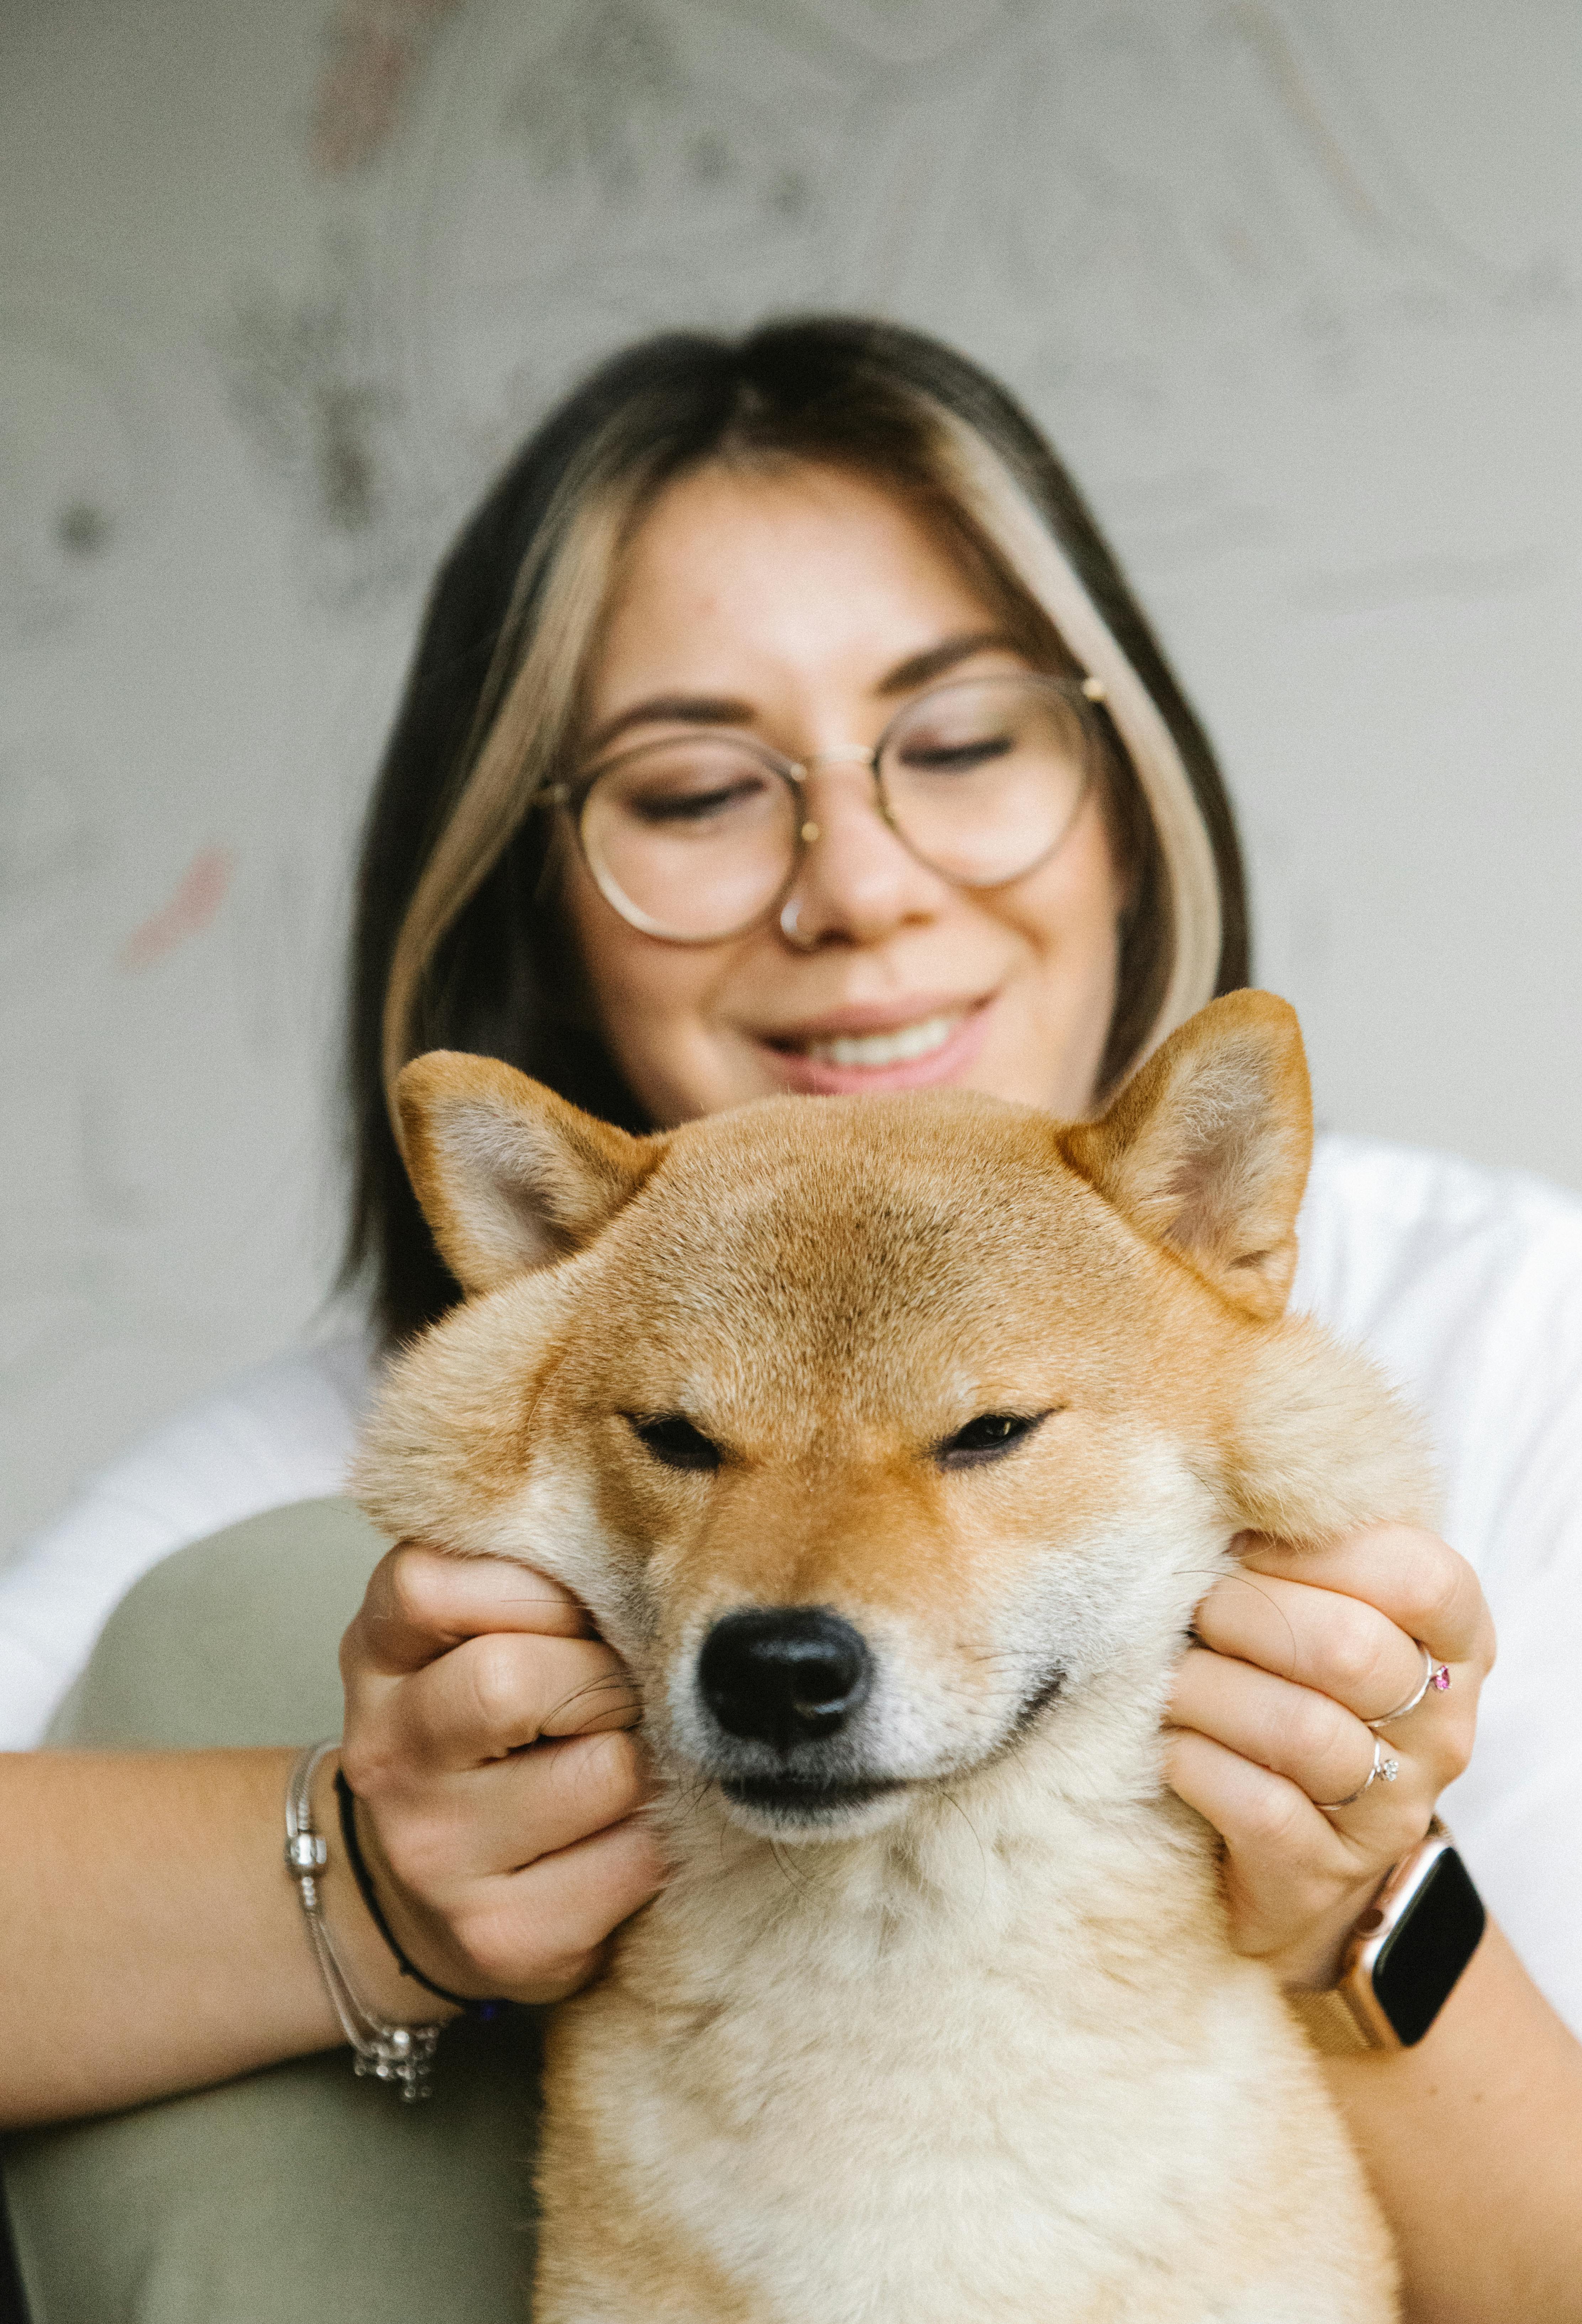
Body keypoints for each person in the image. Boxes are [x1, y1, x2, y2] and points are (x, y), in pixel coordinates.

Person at [3, 318, 1581, 2323]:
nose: (857, 883)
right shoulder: (488, 1416)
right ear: (532, 880)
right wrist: (366, 1879)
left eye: (960, 741)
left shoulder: (1514, 1328)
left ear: (1121, 790)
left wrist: (1364, 1901)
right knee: (239, 1618)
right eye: (693, 791)